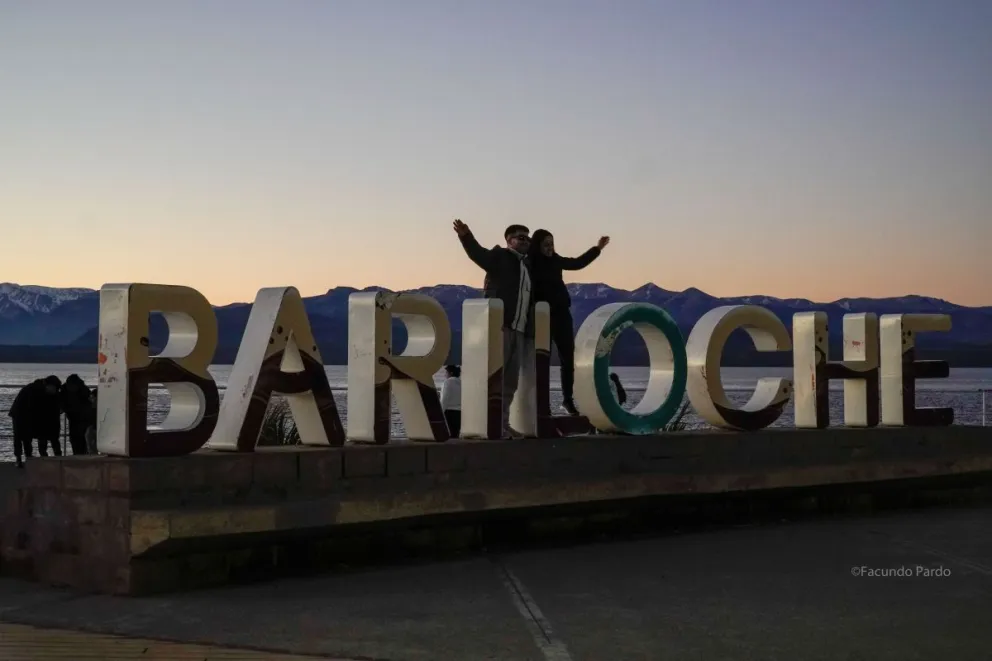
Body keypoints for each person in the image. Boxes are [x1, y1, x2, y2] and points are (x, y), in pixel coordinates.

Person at [453, 219, 534, 438]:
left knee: (510, 382)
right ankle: (490, 424)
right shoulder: (500, 257)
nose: (526, 241)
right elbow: (479, 255)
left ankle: (503, 423)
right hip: (500, 327)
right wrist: (466, 236)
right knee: (494, 379)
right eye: (521, 237)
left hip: (519, 329)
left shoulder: (527, 266)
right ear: (509, 241)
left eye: (528, 238)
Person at [528, 229, 610, 415]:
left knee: (568, 357)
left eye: (552, 244)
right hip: (541, 315)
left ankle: (567, 400)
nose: (550, 248)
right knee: (542, 359)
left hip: (561, 313)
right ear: (538, 245)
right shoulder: (530, 263)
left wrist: (597, 249)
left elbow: (577, 263)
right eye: (546, 244)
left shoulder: (556, 260)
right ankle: (541, 402)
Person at [8, 375, 63, 467]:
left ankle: (28, 457)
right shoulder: (34, 390)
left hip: (28, 414)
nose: (56, 391)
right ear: (49, 385)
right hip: (19, 413)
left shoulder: (43, 390)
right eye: (55, 388)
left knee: (27, 437)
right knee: (19, 436)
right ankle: (19, 458)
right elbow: (33, 408)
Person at [61, 373, 93, 455]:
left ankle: (81, 455)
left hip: (83, 419)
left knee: (82, 440)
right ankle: (78, 455)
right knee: (76, 440)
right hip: (74, 419)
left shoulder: (84, 391)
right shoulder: (65, 390)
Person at [440, 364, 462, 437]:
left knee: (449, 434)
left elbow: (444, 398)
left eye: (446, 372)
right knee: (456, 433)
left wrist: (441, 412)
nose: (444, 375)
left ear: (451, 373)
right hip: (459, 412)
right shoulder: (461, 383)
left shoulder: (447, 382)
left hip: (449, 412)